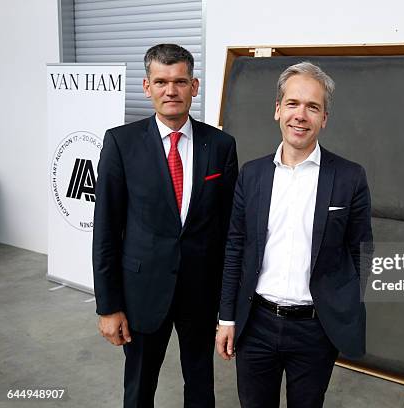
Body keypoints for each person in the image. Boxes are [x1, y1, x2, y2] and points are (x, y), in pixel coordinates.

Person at [215, 61, 373, 408]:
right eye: (293, 103)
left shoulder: (349, 177)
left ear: (324, 118)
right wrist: (227, 318)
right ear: (277, 110)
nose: (301, 115)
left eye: (312, 107)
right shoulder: (252, 175)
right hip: (255, 324)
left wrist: (339, 311)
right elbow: (235, 248)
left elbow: (361, 252)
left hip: (315, 330)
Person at [93, 43, 238, 407]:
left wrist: (228, 307)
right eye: (160, 82)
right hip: (142, 295)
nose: (170, 90)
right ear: (146, 87)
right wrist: (108, 307)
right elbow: (106, 231)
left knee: (201, 386)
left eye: (179, 81)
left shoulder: (220, 145)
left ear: (195, 85)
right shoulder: (120, 143)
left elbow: (228, 232)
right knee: (139, 388)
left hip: (200, 295)